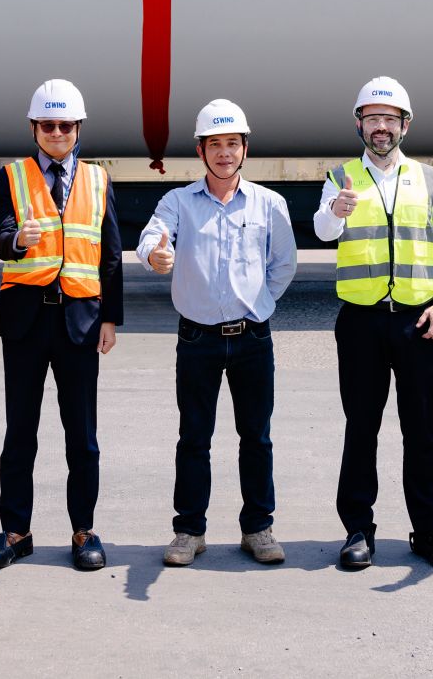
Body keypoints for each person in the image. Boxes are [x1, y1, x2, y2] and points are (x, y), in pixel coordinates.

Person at [313, 76, 433, 571]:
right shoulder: (340, 177)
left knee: (420, 429)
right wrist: (336, 211)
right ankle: (358, 529)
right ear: (359, 124)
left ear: (405, 125)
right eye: (372, 118)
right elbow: (323, 231)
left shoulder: (428, 178)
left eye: (390, 119)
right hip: (361, 321)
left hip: (418, 322)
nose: (381, 127)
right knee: (362, 427)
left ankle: (428, 530)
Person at [139, 99, 298, 567]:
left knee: (257, 436)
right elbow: (151, 237)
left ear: (245, 148)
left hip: (252, 339)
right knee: (194, 437)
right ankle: (189, 531)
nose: (224, 153)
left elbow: (283, 263)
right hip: (197, 339)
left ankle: (258, 528)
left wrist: (260, 303)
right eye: (214, 144)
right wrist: (155, 256)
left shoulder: (270, 204)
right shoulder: (178, 202)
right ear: (200, 150)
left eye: (232, 143)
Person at [0, 79, 124, 572]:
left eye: (65, 125)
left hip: (79, 323)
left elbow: (110, 255)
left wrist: (111, 317)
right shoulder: (12, 176)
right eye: (48, 125)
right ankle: (15, 532)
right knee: (19, 432)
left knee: (82, 435)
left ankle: (84, 530)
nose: (57, 133)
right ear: (33, 128)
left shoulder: (99, 180)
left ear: (78, 128)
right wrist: (17, 240)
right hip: (26, 320)